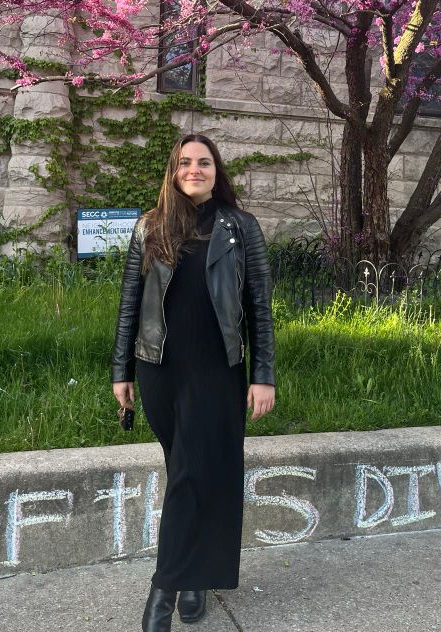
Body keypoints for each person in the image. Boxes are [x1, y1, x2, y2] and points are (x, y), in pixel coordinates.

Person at [111, 132, 276, 631]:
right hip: (159, 368)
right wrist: (121, 370)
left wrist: (263, 374)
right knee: (192, 472)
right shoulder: (151, 226)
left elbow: (259, 309)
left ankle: (164, 590)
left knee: (188, 476)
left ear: (216, 171)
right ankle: (197, 578)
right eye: (185, 162)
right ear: (174, 170)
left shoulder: (240, 227)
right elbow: (129, 303)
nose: (194, 169)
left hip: (217, 370)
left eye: (204, 162)